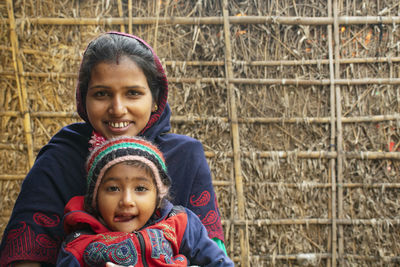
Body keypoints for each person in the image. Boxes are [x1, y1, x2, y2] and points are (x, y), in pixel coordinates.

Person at [0, 32, 226, 266]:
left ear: (156, 98)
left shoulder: (185, 157)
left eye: (133, 93)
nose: (117, 109)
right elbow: (25, 257)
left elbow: (214, 254)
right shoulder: (61, 158)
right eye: (101, 94)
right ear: (83, 98)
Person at [56, 136, 233, 266]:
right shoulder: (79, 245)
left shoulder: (180, 224)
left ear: (158, 197)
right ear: (95, 198)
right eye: (113, 189)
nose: (126, 201)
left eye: (140, 188)